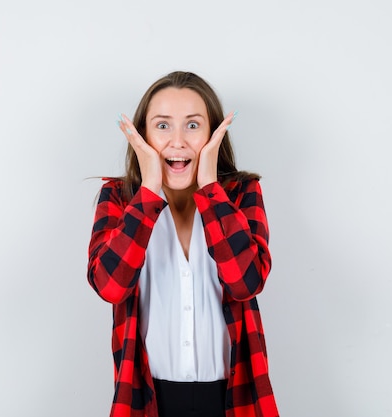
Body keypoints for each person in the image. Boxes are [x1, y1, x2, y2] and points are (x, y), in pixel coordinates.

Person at [87, 71, 279, 417]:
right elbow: (109, 286)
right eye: (162, 126)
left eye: (192, 125)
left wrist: (209, 188)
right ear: (142, 135)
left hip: (232, 399)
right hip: (147, 398)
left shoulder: (241, 195)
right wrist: (148, 192)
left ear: (213, 133)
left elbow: (246, 282)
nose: (178, 141)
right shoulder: (118, 198)